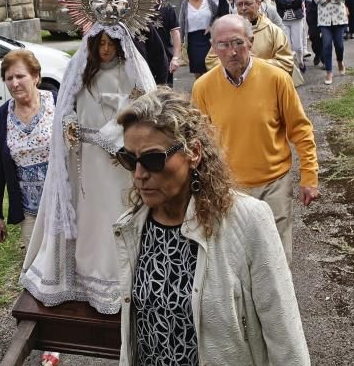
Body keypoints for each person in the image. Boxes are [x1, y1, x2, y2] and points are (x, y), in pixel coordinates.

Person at [113, 89, 311, 365]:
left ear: (193, 152)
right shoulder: (132, 227)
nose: (139, 174)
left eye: (153, 159)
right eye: (129, 160)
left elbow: (284, 334)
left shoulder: (248, 221)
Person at [21, 15, 157, 314]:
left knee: (117, 212)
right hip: (85, 159)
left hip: (117, 160)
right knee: (90, 216)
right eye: (101, 43)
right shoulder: (80, 71)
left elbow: (144, 109)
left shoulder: (129, 71)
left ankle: (119, 275)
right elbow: (66, 108)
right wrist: (69, 123)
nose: (106, 49)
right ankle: (87, 273)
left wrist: (119, 138)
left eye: (110, 43)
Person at [192, 15, 319, 266]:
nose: (232, 51)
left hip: (274, 184)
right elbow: (199, 143)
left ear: (250, 41)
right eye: (223, 45)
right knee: (236, 260)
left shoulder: (277, 79)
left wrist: (309, 176)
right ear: (213, 48)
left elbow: (300, 130)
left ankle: (280, 305)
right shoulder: (202, 87)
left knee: (276, 258)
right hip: (227, 187)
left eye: (238, 42)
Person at [0, 49, 54, 248]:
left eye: (20, 76)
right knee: (35, 266)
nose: (14, 83)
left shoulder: (58, 103)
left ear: (36, 76)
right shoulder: (0, 117)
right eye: (9, 78)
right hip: (29, 211)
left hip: (65, 204)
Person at [135, 0, 182, 86]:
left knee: (165, 93)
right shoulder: (137, 10)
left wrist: (176, 57)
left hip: (164, 58)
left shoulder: (167, 8)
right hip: (143, 60)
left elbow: (175, 33)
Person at [313, 0, 348, 85]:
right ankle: (329, 71)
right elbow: (316, 0)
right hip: (324, 19)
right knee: (326, 45)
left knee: (339, 44)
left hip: (339, 17)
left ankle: (340, 60)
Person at [179, 0, 218, 78]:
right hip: (193, 40)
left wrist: (211, 25)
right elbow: (182, 22)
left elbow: (217, 15)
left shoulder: (208, 0)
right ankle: (199, 90)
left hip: (208, 38)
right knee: (197, 68)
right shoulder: (185, 4)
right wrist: (181, 42)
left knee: (209, 67)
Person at [273, 0, 307, 72]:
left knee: (297, 45)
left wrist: (285, 1)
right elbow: (277, 1)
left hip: (296, 17)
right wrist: (290, 0)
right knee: (287, 45)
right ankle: (290, 68)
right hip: (283, 18)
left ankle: (301, 62)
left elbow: (299, 0)